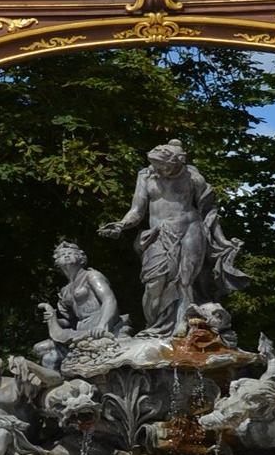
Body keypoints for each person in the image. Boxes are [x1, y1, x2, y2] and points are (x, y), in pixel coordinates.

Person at [98, 140, 248, 337]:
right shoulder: (146, 175)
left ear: (178, 162)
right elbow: (137, 210)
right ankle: (154, 326)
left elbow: (209, 211)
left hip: (190, 229)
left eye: (166, 166)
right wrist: (121, 225)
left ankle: (181, 323)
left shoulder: (193, 177)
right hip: (159, 233)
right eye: (157, 166)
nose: (161, 170)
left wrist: (221, 240)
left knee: (185, 280)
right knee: (154, 284)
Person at [34, 241, 128, 369]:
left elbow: (109, 300)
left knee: (51, 356)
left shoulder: (91, 276)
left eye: (71, 253)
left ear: (81, 258)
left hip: (99, 324)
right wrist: (53, 318)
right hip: (81, 329)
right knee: (39, 348)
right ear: (57, 263)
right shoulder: (65, 290)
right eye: (62, 255)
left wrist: (103, 324)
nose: (66, 256)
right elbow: (70, 321)